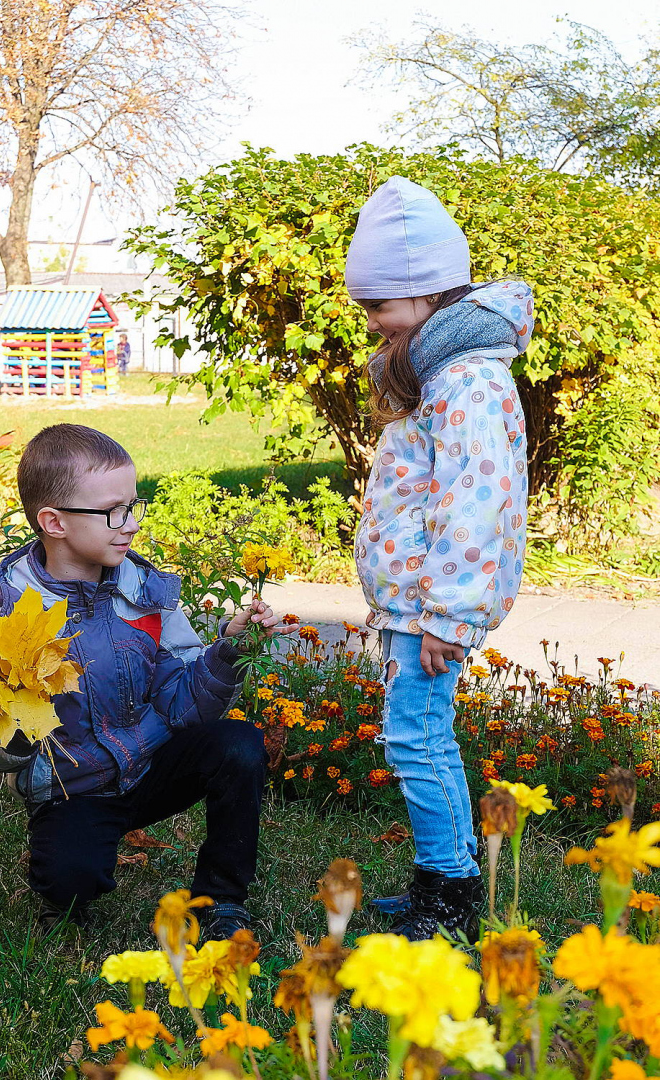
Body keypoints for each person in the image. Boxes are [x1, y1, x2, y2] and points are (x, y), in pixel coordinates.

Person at [0, 422, 294, 939]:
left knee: (239, 746)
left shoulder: (144, 592)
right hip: (75, 789)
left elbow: (184, 707)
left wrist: (230, 651)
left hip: (152, 763)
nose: (130, 524)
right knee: (70, 884)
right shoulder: (9, 619)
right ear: (54, 522)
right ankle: (68, 873)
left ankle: (222, 900)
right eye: (113, 511)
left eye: (134, 505)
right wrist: (14, 730)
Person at [345, 176, 532, 940]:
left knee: (419, 740)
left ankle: (451, 895)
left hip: (434, 608)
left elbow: (475, 506)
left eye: (379, 307)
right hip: (415, 602)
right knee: (415, 737)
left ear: (425, 294)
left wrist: (447, 616)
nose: (371, 326)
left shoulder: (469, 381)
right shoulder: (446, 374)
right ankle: (442, 872)